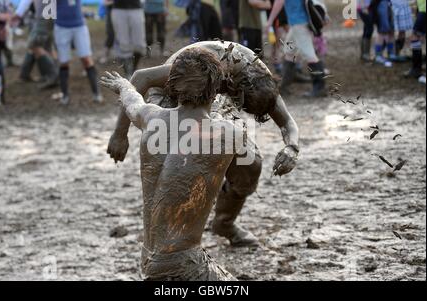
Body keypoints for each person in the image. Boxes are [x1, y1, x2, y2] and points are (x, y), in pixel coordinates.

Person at [105, 41, 300, 248]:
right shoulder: (206, 67)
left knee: (250, 164)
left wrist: (292, 148)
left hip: (215, 101)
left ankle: (225, 223)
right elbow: (141, 77)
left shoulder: (260, 76)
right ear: (236, 91)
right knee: (187, 157)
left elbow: (287, 122)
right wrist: (120, 133)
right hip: (169, 95)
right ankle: (169, 232)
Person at [101, 48, 241, 281]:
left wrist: (123, 85)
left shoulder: (151, 117)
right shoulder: (227, 133)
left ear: (172, 87)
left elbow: (132, 101)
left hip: (149, 258)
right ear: (215, 90)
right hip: (183, 264)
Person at [267, 0, 328, 97]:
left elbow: (279, 1)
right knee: (289, 52)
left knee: (309, 55)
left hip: (299, 23)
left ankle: (320, 87)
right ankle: (284, 87)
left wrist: (270, 21)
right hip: (297, 22)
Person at [55, 0, 102, 105]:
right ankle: (65, 95)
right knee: (63, 61)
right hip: (61, 26)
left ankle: (96, 94)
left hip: (79, 25)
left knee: (86, 59)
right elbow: (47, 9)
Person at [12, 0, 58, 88]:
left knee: (33, 44)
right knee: (47, 46)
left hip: (45, 14)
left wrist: (18, 14)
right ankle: (45, 75)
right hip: (49, 14)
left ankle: (53, 75)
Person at [111, 0, 146, 78]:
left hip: (136, 8)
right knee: (124, 43)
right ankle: (128, 73)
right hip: (119, 9)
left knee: (139, 45)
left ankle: (134, 68)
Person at [404, 0, 426, 83]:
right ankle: (417, 68)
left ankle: (416, 69)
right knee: (417, 37)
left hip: (424, 10)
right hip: (422, 9)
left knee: (415, 37)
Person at [98, 0, 115, 64]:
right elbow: (105, 3)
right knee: (110, 36)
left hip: (123, 13)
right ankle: (105, 55)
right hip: (111, 14)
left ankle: (123, 56)